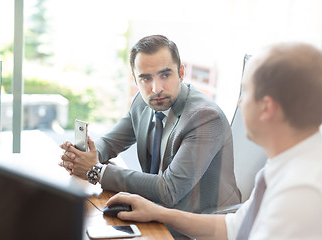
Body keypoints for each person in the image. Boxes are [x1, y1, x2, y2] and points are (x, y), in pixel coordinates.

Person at [107, 43, 322, 239]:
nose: (239, 101)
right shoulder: (284, 165)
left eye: (245, 91)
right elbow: (233, 227)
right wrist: (158, 212)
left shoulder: (300, 191)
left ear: (266, 107)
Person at [60, 35, 240, 217]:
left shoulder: (205, 117)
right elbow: (109, 143)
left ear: (181, 72)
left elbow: (169, 190)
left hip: (202, 223)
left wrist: (96, 171)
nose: (156, 89)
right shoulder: (143, 102)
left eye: (165, 75)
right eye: (146, 79)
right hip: (155, 210)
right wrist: (81, 158)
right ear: (135, 80)